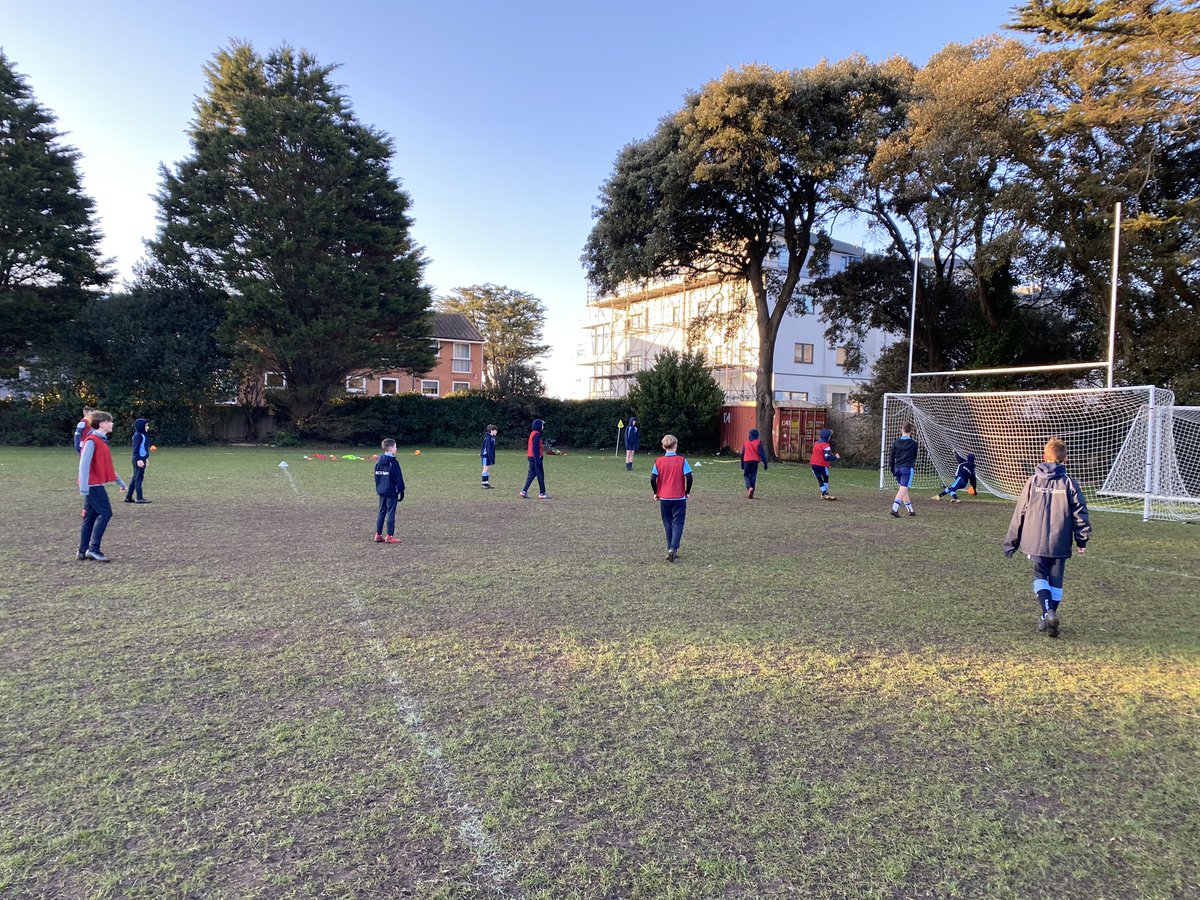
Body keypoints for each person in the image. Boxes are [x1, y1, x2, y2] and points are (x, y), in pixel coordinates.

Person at [1003, 437, 1091, 638]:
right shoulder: (1069, 483)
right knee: (1056, 579)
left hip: (1035, 541)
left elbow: (1021, 512)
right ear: (1065, 459)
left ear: (1044, 457)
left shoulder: (1033, 481)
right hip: (1059, 541)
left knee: (1040, 575)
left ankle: (1046, 613)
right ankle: (1049, 616)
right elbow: (1080, 513)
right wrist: (1082, 540)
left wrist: (1011, 543)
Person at [77, 411, 127, 562]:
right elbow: (83, 465)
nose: (112, 424)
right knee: (105, 513)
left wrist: (120, 482)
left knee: (90, 517)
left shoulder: (101, 441)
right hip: (93, 486)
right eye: (109, 422)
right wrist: (84, 488)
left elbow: (105, 466)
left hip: (93, 485)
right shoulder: (92, 441)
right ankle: (93, 549)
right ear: (102, 424)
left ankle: (82, 551)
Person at [651, 434, 693, 562]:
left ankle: (670, 547)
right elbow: (689, 477)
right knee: (678, 522)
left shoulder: (658, 461)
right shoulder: (682, 460)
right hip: (679, 497)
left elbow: (653, 479)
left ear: (663, 446)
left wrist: (656, 492)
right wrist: (687, 491)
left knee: (667, 523)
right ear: (676, 446)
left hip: (664, 497)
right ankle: (673, 548)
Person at [373, 438, 405, 544]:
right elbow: (398, 478)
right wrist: (401, 490)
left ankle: (378, 534)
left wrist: (379, 488)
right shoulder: (393, 463)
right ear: (391, 448)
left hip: (381, 491)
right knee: (391, 512)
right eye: (395, 447)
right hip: (391, 492)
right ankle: (389, 536)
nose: (396, 448)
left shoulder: (378, 462)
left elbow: (376, 477)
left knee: (381, 511)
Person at [889, 422, 919, 518]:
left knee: (903, 489)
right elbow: (914, 457)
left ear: (901, 430)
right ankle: (894, 508)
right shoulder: (914, 444)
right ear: (911, 431)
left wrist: (892, 469)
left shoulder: (896, 443)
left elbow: (891, 457)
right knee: (903, 488)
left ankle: (910, 510)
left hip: (897, 468)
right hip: (907, 468)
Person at [519, 418, 550, 499]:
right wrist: (537, 461)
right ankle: (542, 493)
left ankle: (524, 491)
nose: (543, 427)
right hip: (535, 458)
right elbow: (535, 448)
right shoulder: (536, 435)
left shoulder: (533, 433)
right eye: (542, 425)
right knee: (540, 475)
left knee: (531, 475)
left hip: (531, 457)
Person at [809, 427, 841, 500]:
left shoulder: (816, 443)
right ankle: (825, 494)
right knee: (826, 478)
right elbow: (827, 457)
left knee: (820, 479)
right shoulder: (826, 445)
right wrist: (835, 457)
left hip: (813, 464)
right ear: (827, 437)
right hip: (821, 465)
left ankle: (823, 494)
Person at [125, 417, 152, 504]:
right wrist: (138, 459)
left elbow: (144, 448)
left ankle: (128, 497)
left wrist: (146, 458)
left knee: (135, 478)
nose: (148, 427)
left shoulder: (143, 435)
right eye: (146, 426)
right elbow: (135, 449)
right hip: (138, 459)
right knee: (139, 479)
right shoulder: (138, 436)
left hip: (142, 458)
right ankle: (139, 498)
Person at [740, 428, 768, 499]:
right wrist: (765, 463)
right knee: (753, 476)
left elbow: (742, 454)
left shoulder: (746, 443)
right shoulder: (758, 443)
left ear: (749, 435)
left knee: (746, 475)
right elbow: (762, 454)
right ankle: (752, 490)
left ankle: (749, 488)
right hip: (755, 461)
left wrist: (742, 464)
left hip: (746, 461)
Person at [480, 424, 498, 489]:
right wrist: (491, 457)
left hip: (488, 456)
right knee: (485, 469)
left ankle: (486, 483)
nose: (496, 432)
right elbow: (488, 448)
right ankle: (483, 484)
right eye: (495, 430)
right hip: (486, 455)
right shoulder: (488, 438)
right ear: (491, 431)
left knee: (487, 469)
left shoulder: (491, 438)